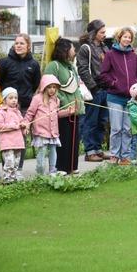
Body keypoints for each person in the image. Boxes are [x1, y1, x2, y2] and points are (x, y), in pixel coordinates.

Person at [0, 33, 41, 177]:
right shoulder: (4, 62)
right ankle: (7, 170)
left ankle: (18, 169)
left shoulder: (33, 64)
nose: (18, 46)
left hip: (24, 106)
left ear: (28, 46)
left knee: (21, 138)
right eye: (16, 43)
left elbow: (36, 84)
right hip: (7, 107)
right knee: (7, 137)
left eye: (21, 43)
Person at [98, 27, 137, 165]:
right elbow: (103, 74)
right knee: (116, 128)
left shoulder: (134, 55)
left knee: (127, 129)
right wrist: (114, 83)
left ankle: (125, 156)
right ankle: (114, 155)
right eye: (125, 37)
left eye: (129, 37)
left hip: (130, 98)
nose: (127, 39)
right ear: (119, 38)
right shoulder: (110, 54)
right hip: (115, 97)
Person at [44, 38, 85, 174]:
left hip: (75, 110)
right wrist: (64, 102)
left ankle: (72, 167)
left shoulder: (71, 66)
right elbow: (48, 86)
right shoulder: (53, 65)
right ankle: (61, 168)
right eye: (73, 48)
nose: (75, 51)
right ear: (65, 50)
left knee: (74, 139)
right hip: (62, 111)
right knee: (63, 140)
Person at [23, 74, 75, 175]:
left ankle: (52, 171)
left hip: (53, 132)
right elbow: (30, 113)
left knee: (53, 152)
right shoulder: (37, 99)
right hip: (41, 132)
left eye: (54, 87)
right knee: (41, 154)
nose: (52, 90)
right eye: (49, 87)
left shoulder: (56, 100)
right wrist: (26, 124)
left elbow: (56, 114)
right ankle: (40, 174)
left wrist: (68, 112)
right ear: (44, 87)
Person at [77, 19, 110, 162]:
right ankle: (90, 151)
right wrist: (93, 87)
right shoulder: (85, 48)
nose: (104, 34)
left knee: (101, 121)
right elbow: (83, 69)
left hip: (105, 89)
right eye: (102, 32)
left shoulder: (104, 48)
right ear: (94, 32)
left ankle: (98, 149)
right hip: (93, 90)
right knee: (90, 121)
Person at [0, 88, 26, 184]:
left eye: (16, 98)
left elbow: (22, 122)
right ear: (4, 100)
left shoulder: (18, 112)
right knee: (9, 163)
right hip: (7, 144)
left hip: (18, 143)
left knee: (16, 164)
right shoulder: (1, 112)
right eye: (11, 98)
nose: (14, 100)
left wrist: (25, 126)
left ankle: (14, 181)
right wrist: (12, 126)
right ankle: (7, 181)